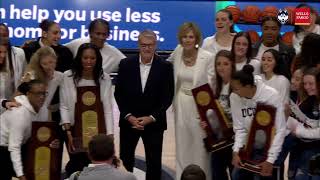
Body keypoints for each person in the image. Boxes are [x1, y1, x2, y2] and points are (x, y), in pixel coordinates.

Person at [114, 30, 174, 180]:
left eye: (150, 45)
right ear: (138, 45)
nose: (147, 48)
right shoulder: (125, 64)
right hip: (129, 123)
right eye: (143, 45)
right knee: (126, 162)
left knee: (154, 165)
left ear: (156, 45)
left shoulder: (165, 67)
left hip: (154, 124)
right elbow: (119, 94)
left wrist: (151, 117)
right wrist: (128, 116)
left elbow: (167, 97)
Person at [60, 43, 114, 177]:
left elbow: (107, 108)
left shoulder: (104, 78)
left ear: (98, 59)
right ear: (79, 58)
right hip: (73, 130)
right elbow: (64, 105)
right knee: (76, 164)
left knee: (95, 165)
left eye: (92, 58)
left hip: (98, 131)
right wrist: (68, 133)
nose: (89, 61)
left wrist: (110, 134)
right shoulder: (67, 76)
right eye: (85, 58)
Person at [168, 22, 213, 179]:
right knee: (182, 144)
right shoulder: (178, 51)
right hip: (181, 102)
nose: (187, 40)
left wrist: (208, 114)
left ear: (197, 39)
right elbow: (166, 67)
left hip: (200, 106)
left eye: (191, 37)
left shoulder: (207, 57)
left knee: (200, 146)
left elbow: (212, 86)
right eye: (185, 37)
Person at [230, 65, 286, 179]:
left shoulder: (272, 96)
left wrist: (270, 159)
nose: (234, 92)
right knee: (236, 175)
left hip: (270, 147)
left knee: (259, 177)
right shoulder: (234, 97)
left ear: (249, 86)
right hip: (249, 145)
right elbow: (239, 128)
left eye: (237, 89)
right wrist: (236, 151)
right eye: (232, 89)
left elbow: (280, 130)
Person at [0, 80, 58, 180]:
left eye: (44, 93)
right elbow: (14, 147)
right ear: (28, 94)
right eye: (38, 94)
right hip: (3, 147)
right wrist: (21, 175)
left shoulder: (43, 109)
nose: (42, 97)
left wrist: (51, 143)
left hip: (23, 144)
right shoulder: (19, 113)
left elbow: (41, 137)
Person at [202, 50, 235, 180]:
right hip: (218, 141)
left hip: (234, 141)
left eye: (225, 64)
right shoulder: (215, 86)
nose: (221, 67)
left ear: (232, 65)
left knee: (235, 175)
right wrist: (206, 122)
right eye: (218, 64)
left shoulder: (237, 85)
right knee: (217, 175)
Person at [287, 67, 320, 180]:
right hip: (304, 148)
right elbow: (313, 123)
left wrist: (298, 131)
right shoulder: (314, 99)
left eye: (311, 83)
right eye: (305, 83)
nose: (307, 87)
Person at [69, 134, 137, 180]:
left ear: (88, 154)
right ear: (113, 153)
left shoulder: (75, 177)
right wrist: (124, 172)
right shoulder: (128, 177)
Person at [0, 23, 26, 112]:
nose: (2, 38)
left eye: (4, 35)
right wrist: (3, 103)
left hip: (14, 105)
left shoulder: (19, 53)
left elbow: (24, 79)